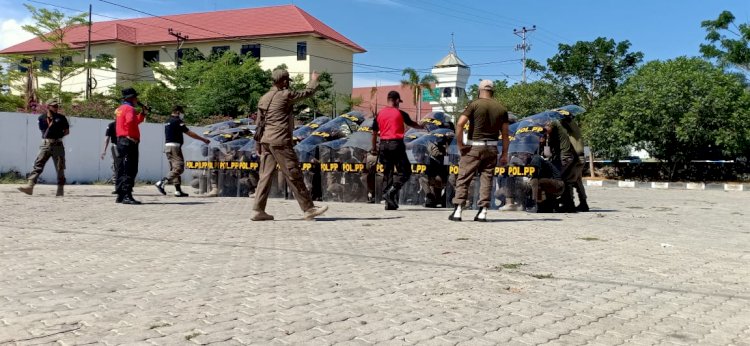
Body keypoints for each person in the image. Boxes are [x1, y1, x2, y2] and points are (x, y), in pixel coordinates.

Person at [251, 68, 328, 221]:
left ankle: (258, 209)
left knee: (265, 176)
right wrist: (314, 80)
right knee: (294, 174)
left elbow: (259, 124)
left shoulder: (263, 98)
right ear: (284, 81)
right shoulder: (286, 95)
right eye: (287, 81)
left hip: (266, 141)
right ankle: (308, 208)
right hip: (280, 141)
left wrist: (258, 142)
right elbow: (307, 93)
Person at [449, 80, 509, 222]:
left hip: (473, 147)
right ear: (493, 91)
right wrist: (505, 154)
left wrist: (460, 144)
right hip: (492, 148)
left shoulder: (474, 104)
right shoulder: (501, 109)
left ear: (479, 90)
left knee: (464, 177)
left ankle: (458, 210)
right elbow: (505, 134)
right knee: (486, 179)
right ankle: (483, 211)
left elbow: (459, 124)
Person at [371, 91, 424, 210]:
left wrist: (374, 148)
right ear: (395, 100)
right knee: (406, 171)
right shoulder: (400, 113)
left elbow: (374, 134)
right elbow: (412, 124)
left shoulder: (379, 114)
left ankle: (389, 203)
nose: (399, 104)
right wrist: (421, 127)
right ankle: (391, 192)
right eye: (398, 102)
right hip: (396, 144)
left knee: (387, 173)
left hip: (383, 145)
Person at [155, 106, 211, 197]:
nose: (182, 114)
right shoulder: (177, 121)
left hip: (168, 147)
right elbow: (189, 132)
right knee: (179, 167)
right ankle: (162, 182)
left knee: (174, 169)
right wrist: (203, 139)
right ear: (177, 112)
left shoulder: (168, 121)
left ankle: (178, 191)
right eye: (182, 112)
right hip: (174, 148)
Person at [17, 99, 69, 197]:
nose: (56, 108)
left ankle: (60, 190)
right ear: (48, 106)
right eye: (54, 106)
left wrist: (58, 135)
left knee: (60, 167)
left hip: (58, 144)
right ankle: (30, 187)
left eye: (57, 106)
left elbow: (66, 131)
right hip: (45, 144)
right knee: (38, 164)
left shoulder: (61, 118)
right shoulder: (42, 118)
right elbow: (43, 130)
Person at [115, 87, 147, 205]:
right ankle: (127, 195)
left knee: (121, 168)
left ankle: (120, 195)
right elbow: (130, 122)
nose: (137, 99)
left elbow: (133, 121)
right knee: (130, 168)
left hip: (121, 141)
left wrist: (142, 113)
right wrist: (131, 136)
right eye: (136, 97)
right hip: (129, 142)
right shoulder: (130, 109)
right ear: (132, 98)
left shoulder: (120, 108)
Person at [545, 118, 578, 213]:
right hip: (565, 156)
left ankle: (553, 203)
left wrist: (540, 132)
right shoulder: (558, 126)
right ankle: (568, 204)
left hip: (564, 156)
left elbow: (548, 129)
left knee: (554, 178)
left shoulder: (552, 122)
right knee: (563, 179)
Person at [561, 114, 589, 212]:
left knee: (568, 180)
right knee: (577, 181)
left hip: (577, 157)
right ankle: (583, 203)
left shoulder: (572, 127)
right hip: (580, 157)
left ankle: (569, 204)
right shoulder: (574, 128)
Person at [100, 120, 118, 194]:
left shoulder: (112, 124)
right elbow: (107, 138)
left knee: (116, 166)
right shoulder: (112, 125)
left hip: (119, 146)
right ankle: (119, 186)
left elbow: (107, 138)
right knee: (117, 166)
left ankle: (119, 186)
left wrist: (104, 151)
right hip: (117, 146)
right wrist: (104, 150)